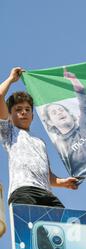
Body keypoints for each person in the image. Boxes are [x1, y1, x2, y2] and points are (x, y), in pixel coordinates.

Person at [0, 67, 78, 207]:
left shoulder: (40, 142)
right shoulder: (9, 132)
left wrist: (62, 182)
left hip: (46, 193)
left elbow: (47, 175)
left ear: (32, 116)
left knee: (64, 224)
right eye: (18, 110)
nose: (23, 112)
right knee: (28, 228)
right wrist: (11, 79)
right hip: (23, 190)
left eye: (27, 109)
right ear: (9, 116)